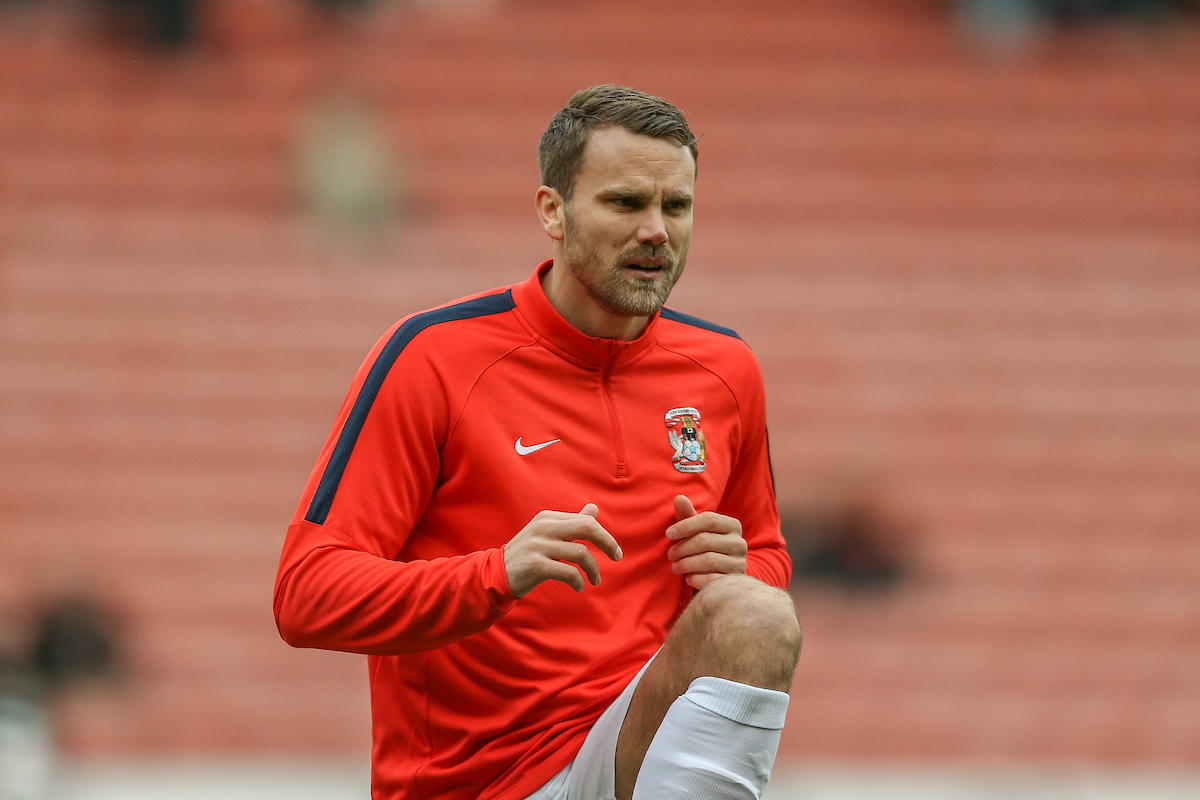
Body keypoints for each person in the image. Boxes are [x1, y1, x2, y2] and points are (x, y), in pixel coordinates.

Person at [274, 85, 802, 800]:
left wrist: (739, 567)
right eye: (625, 203)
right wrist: (495, 574)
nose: (656, 231)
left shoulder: (724, 369)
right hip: (479, 780)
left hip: (629, 742)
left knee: (758, 617)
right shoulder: (435, 358)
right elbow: (306, 596)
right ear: (553, 211)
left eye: (676, 206)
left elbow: (765, 555)